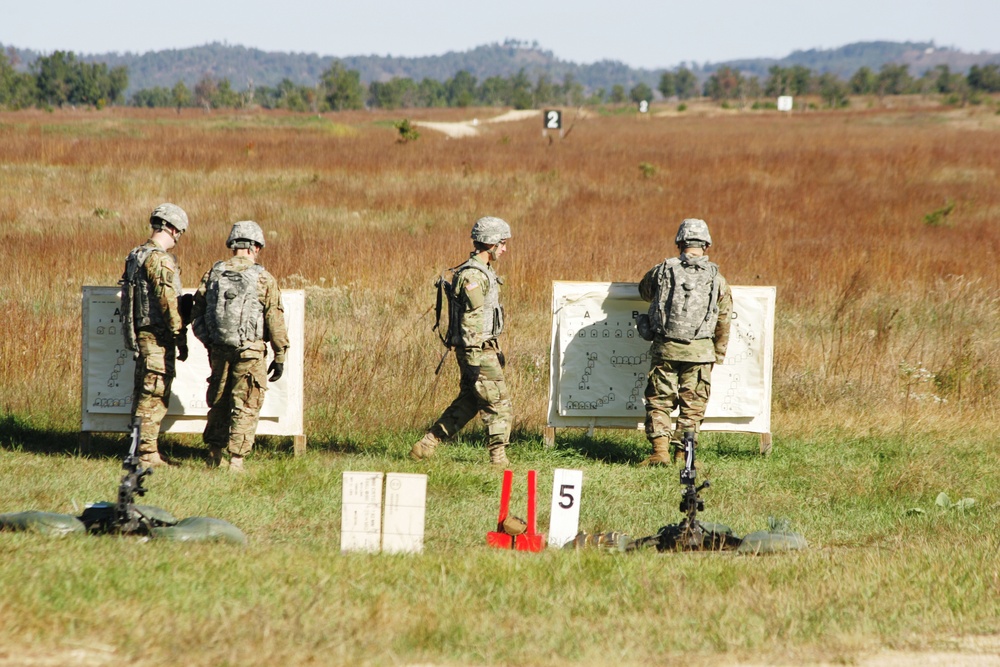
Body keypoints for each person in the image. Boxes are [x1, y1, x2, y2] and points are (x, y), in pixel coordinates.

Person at [411, 216, 514, 466]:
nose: (504, 248)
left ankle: (427, 444)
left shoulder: (482, 271)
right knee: (497, 401)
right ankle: (498, 458)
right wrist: (474, 356)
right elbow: (471, 320)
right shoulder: (473, 276)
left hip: (482, 347)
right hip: (476, 348)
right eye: (501, 243)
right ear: (490, 244)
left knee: (471, 399)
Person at [191, 221, 289, 472]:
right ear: (256, 246)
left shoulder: (213, 274)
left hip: (219, 349)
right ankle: (236, 461)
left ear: (233, 245)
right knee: (247, 403)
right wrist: (280, 355)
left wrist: (209, 341)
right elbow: (274, 318)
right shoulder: (264, 278)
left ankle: (214, 453)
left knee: (220, 401)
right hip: (250, 352)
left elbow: (196, 312)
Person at [637, 218, 732, 465]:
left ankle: (660, 452)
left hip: (666, 349)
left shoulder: (662, 270)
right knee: (692, 406)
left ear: (679, 241)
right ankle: (684, 454)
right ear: (706, 245)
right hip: (700, 352)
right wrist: (718, 354)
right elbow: (723, 320)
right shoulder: (717, 278)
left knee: (659, 401)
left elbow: (644, 291)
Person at [120, 203, 190, 467]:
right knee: (153, 394)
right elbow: (168, 301)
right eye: (178, 233)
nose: (177, 239)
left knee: (143, 392)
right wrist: (179, 335)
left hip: (140, 335)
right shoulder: (158, 258)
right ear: (172, 229)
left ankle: (139, 449)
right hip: (157, 338)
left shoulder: (136, 254)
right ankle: (146, 454)